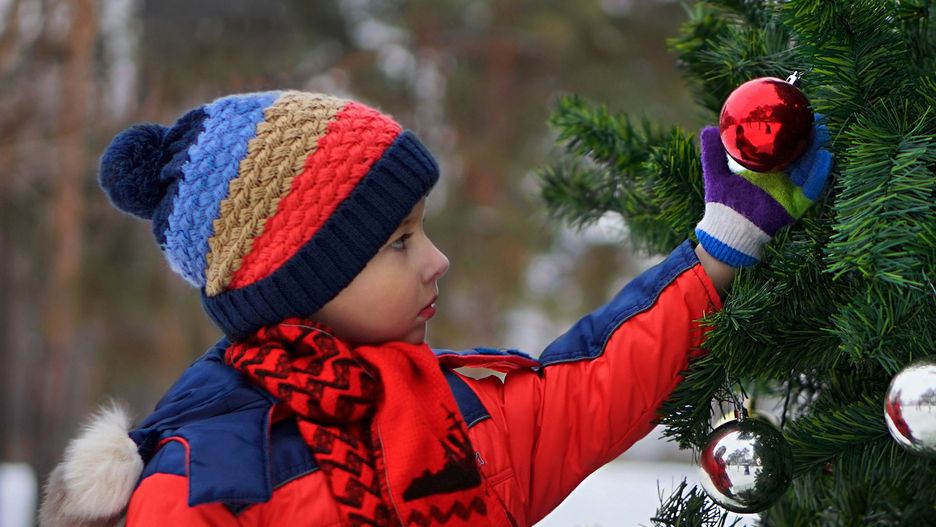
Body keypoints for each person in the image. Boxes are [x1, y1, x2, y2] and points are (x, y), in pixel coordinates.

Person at [38, 91, 831, 527]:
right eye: (398, 242)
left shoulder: (438, 413)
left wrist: (722, 244)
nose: (437, 259)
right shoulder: (204, 487)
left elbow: (587, 387)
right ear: (301, 282)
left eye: (424, 230)